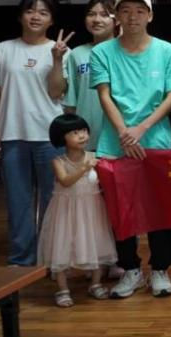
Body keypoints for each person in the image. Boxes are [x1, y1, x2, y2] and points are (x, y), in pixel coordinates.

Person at [90, 0, 171, 299]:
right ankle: (130, 269)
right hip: (114, 143)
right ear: (116, 16)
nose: (133, 17)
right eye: (126, 11)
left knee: (159, 207)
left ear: (150, 15)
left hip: (155, 141)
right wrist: (124, 132)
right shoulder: (102, 52)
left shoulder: (167, 51)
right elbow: (104, 94)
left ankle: (160, 269)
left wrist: (141, 128)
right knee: (121, 209)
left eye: (139, 11)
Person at [0, 0, 65, 266]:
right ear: (20, 17)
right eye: (30, 11)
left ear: (51, 20)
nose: (36, 16)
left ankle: (51, 256)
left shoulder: (61, 50)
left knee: (53, 200)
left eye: (43, 12)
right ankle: (21, 257)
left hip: (50, 136)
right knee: (18, 201)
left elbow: (58, 93)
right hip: (12, 135)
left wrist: (57, 59)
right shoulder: (3, 50)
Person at [38, 113, 117, 307]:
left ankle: (95, 283)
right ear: (62, 137)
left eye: (83, 130)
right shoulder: (58, 161)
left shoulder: (94, 157)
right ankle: (62, 289)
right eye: (75, 132)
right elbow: (65, 181)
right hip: (65, 211)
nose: (82, 135)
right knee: (62, 245)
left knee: (96, 242)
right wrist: (84, 168)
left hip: (92, 209)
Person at [51, 0, 118, 154]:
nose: (97, 19)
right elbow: (71, 103)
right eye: (91, 14)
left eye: (104, 15)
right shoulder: (77, 54)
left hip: (120, 136)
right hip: (87, 137)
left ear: (118, 20)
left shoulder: (126, 51)